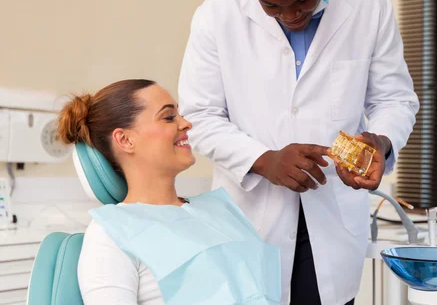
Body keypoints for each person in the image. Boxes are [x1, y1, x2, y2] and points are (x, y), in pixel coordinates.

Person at [178, 0, 419, 305]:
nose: (291, 15)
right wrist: (263, 160)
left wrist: (382, 141)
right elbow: (200, 117)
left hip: (332, 218)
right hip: (250, 216)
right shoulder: (218, 11)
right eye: (272, 5)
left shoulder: (369, 7)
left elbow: (395, 99)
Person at [57, 79, 280, 304]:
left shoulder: (219, 210)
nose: (186, 124)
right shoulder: (111, 232)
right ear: (125, 140)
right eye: (169, 117)